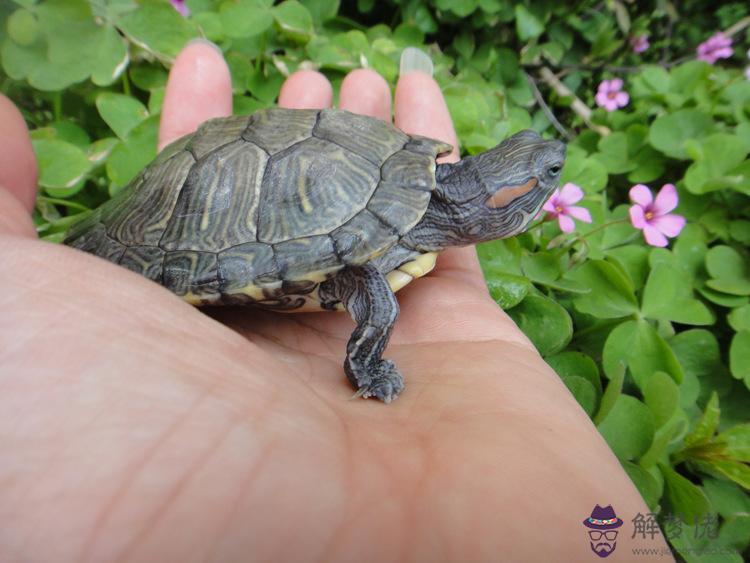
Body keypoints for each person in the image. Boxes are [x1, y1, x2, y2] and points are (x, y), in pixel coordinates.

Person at [0, 41, 670, 561]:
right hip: (187, 228)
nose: (549, 169)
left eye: (539, 171)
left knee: (368, 274)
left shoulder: (414, 194)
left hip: (292, 184)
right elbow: (367, 282)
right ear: (500, 199)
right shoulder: (409, 206)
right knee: (374, 291)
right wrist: (369, 362)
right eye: (539, 174)